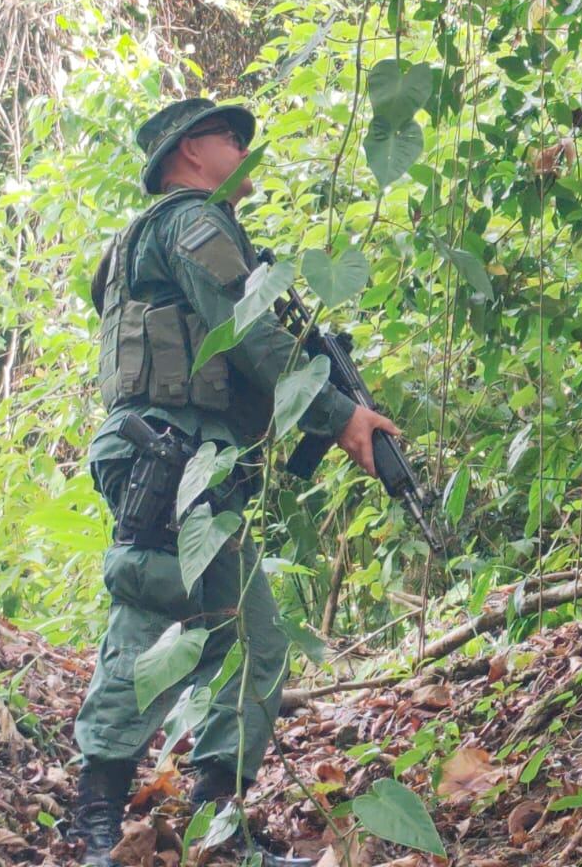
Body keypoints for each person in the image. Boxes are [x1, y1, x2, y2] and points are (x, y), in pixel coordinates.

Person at [70, 97, 400, 866]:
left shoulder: (141, 241)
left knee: (256, 640)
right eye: (231, 138)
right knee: (147, 622)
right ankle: (93, 822)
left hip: (186, 459)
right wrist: (341, 415)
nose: (244, 151)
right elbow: (249, 332)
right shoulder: (192, 220)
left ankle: (218, 826)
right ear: (191, 151)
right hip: (167, 455)